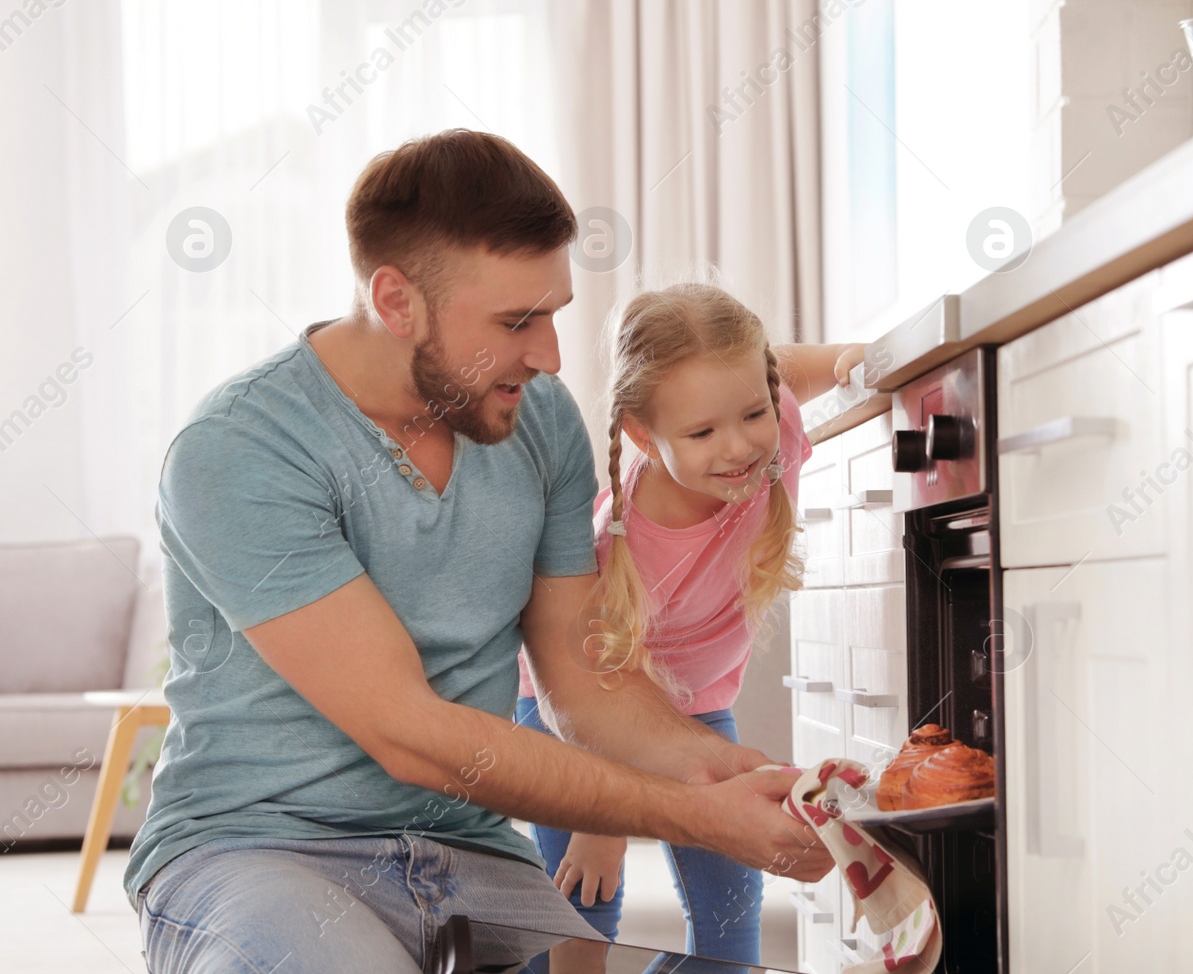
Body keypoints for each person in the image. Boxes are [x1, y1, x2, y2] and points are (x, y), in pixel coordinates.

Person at [124, 130, 830, 974]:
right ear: (396, 302)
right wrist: (696, 813)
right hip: (261, 848)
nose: (552, 356)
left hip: (471, 851)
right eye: (516, 322)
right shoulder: (240, 450)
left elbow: (585, 678)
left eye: (555, 313)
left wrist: (731, 771)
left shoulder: (541, 422)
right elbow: (411, 733)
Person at [513, 285, 862, 961]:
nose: (738, 447)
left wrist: (859, 357)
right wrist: (600, 813)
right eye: (701, 432)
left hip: (696, 708)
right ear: (644, 434)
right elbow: (588, 690)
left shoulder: (768, 422)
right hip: (574, 717)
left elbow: (787, 366)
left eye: (753, 413)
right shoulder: (620, 542)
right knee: (581, 920)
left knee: (732, 930)